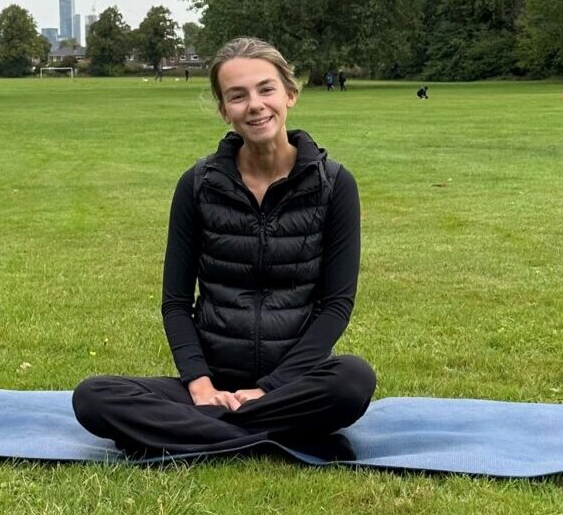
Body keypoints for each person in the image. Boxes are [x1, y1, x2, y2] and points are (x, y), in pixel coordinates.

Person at [73, 37, 375, 457]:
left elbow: (336, 306)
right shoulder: (197, 185)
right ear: (224, 110)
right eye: (237, 95)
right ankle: (278, 435)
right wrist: (199, 384)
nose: (254, 105)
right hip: (210, 384)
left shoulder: (335, 185)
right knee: (93, 397)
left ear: (290, 94)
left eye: (265, 89)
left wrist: (266, 390)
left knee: (354, 380)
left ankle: (195, 435)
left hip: (291, 385)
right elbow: (176, 302)